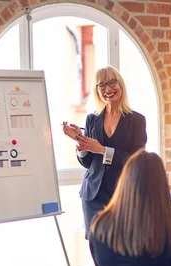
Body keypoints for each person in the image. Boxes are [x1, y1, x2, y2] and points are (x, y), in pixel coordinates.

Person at [63, 66, 147, 239]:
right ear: (97, 91)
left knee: (122, 247)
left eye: (112, 83)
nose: (107, 89)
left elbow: (137, 160)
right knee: (98, 250)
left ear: (121, 85)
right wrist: (80, 140)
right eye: (101, 86)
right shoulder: (92, 119)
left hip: (123, 194)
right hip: (94, 195)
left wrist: (102, 150)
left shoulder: (136, 120)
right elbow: (88, 163)